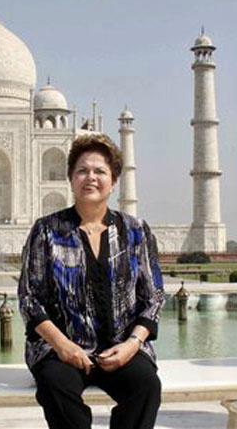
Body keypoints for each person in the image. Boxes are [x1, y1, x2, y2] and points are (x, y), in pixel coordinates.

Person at [18, 133, 165, 429]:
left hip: (121, 346)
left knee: (146, 387)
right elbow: (29, 298)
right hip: (61, 350)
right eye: (82, 170)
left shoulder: (135, 231)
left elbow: (154, 297)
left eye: (100, 171)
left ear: (113, 181)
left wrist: (132, 344)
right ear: (71, 179)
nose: (91, 178)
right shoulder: (48, 230)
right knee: (54, 385)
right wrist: (62, 344)